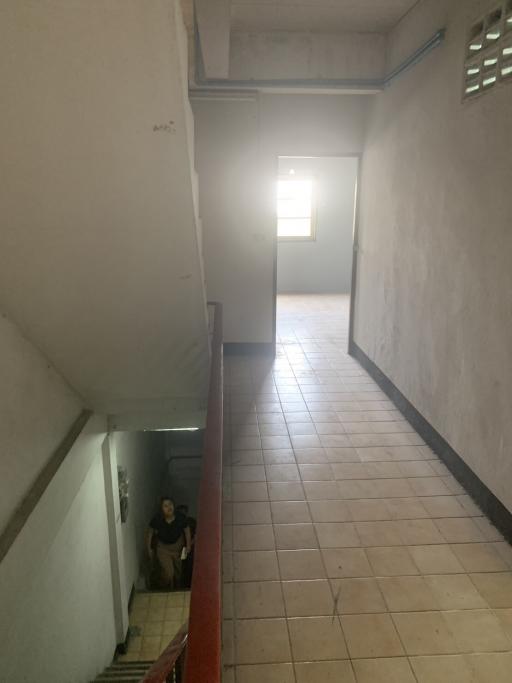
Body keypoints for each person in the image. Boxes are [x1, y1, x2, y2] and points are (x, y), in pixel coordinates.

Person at [146, 497, 191, 590]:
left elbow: (187, 530)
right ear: (161, 509)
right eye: (165, 506)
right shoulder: (157, 519)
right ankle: (165, 588)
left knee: (178, 573)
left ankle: (177, 589)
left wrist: (188, 545)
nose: (169, 507)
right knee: (168, 574)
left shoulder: (180, 517)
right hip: (163, 549)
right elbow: (149, 532)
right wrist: (149, 548)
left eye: (170, 504)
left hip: (177, 547)